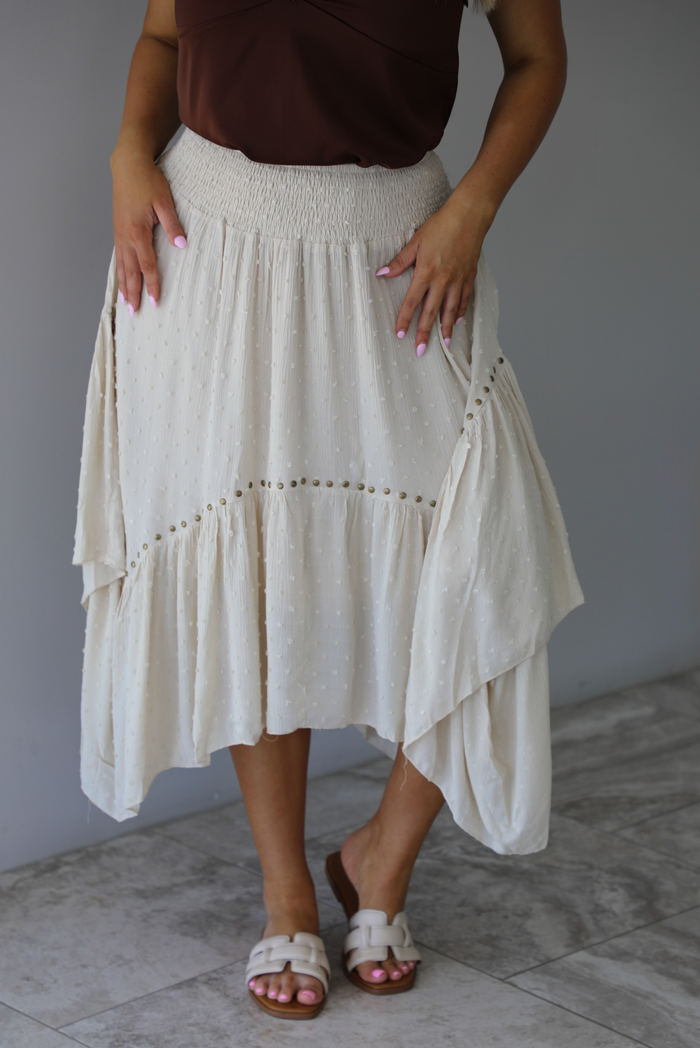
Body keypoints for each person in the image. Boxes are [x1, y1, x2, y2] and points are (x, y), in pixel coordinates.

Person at [73, 0, 583, 1020]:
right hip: (209, 247)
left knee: (492, 551)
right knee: (265, 569)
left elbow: (535, 56)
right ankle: (287, 896)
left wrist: (473, 208)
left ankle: (378, 859)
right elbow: (165, 35)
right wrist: (130, 153)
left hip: (402, 251)